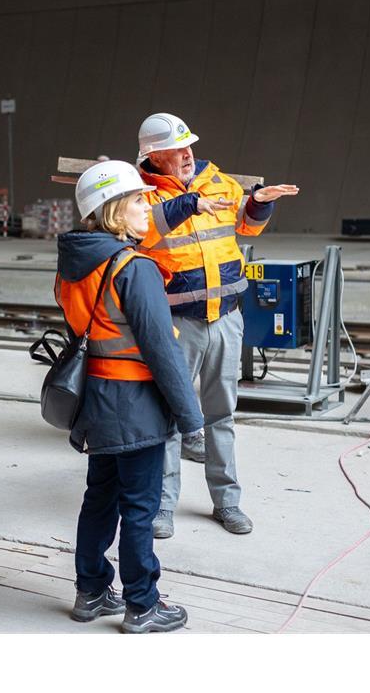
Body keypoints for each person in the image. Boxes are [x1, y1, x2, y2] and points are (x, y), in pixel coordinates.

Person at [56, 160, 204, 633]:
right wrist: (191, 418)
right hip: (134, 402)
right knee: (140, 505)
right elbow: (163, 351)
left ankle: (92, 591)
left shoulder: (74, 262)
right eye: (139, 199)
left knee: (99, 496)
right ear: (115, 210)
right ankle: (143, 604)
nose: (147, 206)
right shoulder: (133, 268)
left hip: (93, 401)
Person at [135, 112, 299, 538]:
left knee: (221, 415)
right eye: (177, 149)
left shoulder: (219, 181)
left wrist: (260, 202)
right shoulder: (141, 194)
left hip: (226, 320)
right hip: (174, 324)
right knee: (168, 418)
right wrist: (188, 203)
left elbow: (247, 226)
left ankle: (227, 503)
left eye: (190, 145)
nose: (188, 154)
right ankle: (162, 508)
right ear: (154, 156)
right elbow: (144, 232)